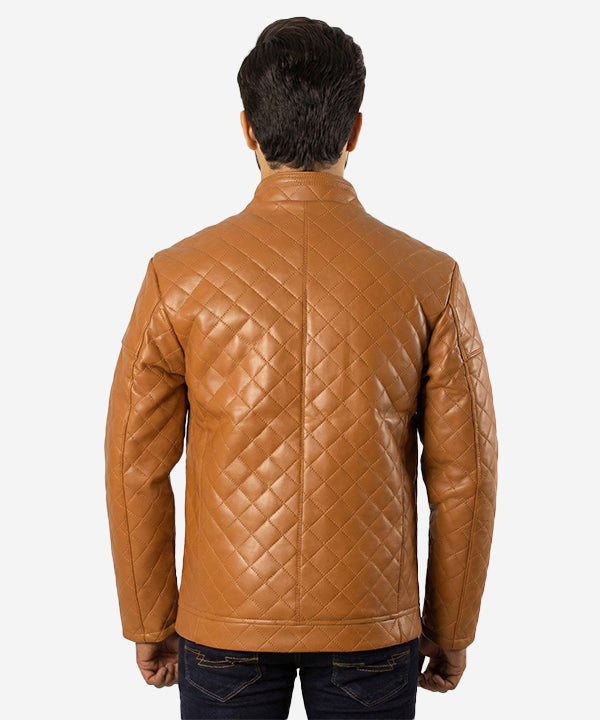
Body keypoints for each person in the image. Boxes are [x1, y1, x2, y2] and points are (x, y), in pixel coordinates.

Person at [104, 16, 498, 720]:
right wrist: (452, 626)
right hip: (371, 621)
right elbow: (465, 475)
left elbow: (135, 464)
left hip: (223, 621)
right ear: (355, 131)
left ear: (247, 131)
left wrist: (149, 617)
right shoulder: (428, 279)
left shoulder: (178, 276)